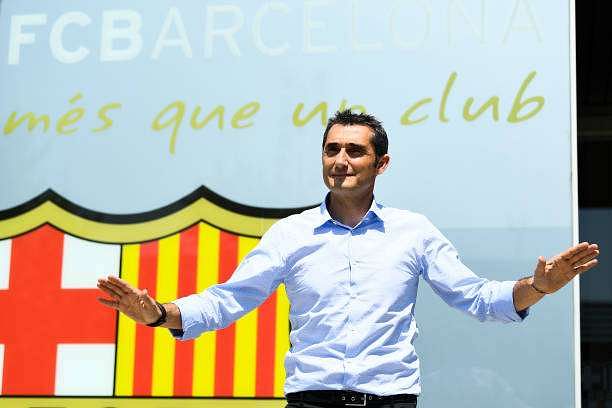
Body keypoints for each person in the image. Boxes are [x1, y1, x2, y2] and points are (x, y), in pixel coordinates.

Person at [98, 110, 599, 408]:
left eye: (354, 151)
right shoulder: (290, 234)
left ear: (380, 163)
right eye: (331, 149)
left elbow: (477, 298)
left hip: (392, 401)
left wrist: (538, 287)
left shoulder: (413, 231)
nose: (340, 160)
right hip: (312, 399)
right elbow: (229, 300)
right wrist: (160, 314)